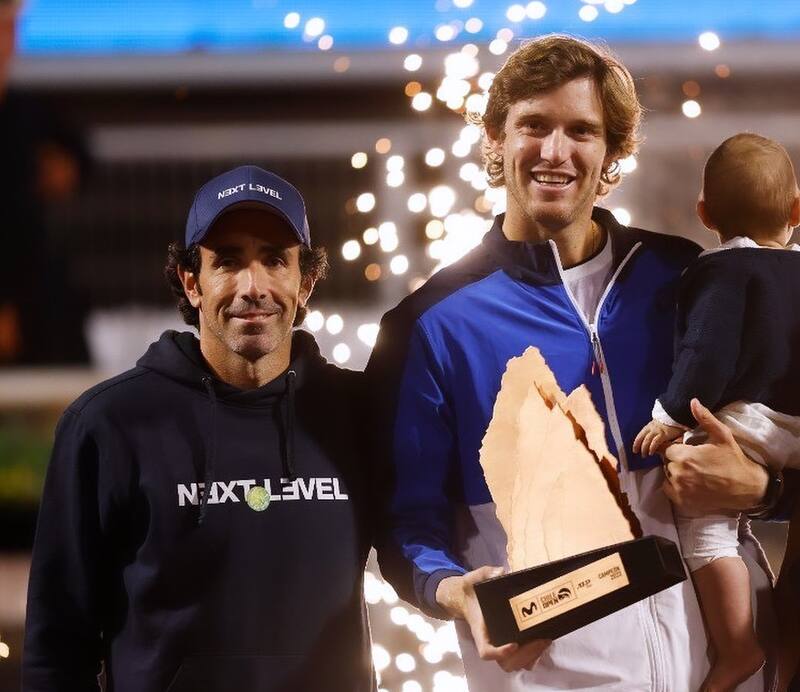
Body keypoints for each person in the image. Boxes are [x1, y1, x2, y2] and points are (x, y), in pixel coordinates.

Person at [367, 34, 778, 691]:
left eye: (582, 131)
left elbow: (782, 430)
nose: (554, 152)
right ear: (496, 141)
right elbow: (401, 528)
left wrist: (765, 491)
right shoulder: (428, 327)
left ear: (614, 154)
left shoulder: (687, 282)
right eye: (533, 125)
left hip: (733, 678)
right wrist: (455, 594)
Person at [23, 165, 377, 692]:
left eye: (274, 260)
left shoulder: (359, 412)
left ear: (305, 283)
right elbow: (56, 649)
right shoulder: (108, 425)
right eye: (227, 261)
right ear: (192, 283)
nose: (251, 286)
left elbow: (423, 549)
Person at [633, 133, 800, 690]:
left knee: (705, 527)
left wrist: (670, 414)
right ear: (797, 211)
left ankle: (736, 647)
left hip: (750, 423)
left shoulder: (720, 271)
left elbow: (707, 351)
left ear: (704, 213)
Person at [0, 0, 90, 365]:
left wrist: (67, 169)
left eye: (10, 28)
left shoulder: (27, 111)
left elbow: (76, 156)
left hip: (36, 291)